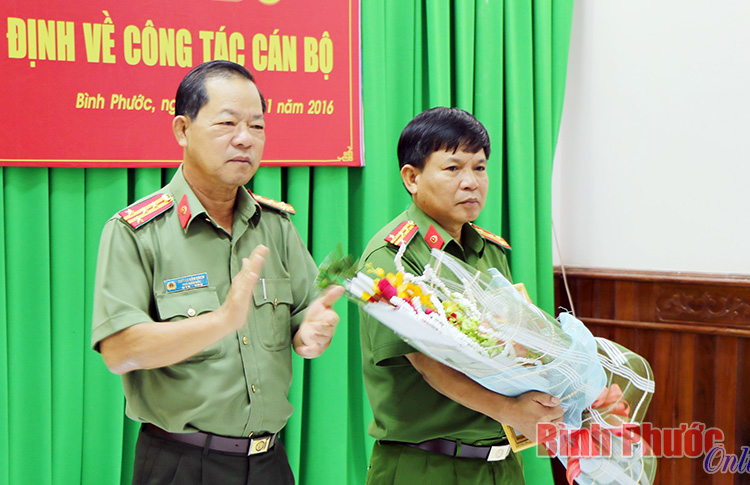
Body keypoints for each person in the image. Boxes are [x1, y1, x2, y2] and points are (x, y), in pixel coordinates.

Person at [91, 60, 344, 484]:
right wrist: (221, 321)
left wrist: (312, 333)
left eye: (257, 126)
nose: (245, 139)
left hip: (268, 463)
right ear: (182, 130)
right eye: (227, 123)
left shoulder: (276, 226)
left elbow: (303, 321)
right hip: (182, 464)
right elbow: (119, 351)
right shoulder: (137, 231)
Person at [359, 107, 564, 484]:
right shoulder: (391, 258)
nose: (471, 182)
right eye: (453, 168)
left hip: (502, 463)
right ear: (412, 178)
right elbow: (427, 363)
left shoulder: (491, 250)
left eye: (479, 167)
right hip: (427, 466)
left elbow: (515, 343)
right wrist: (511, 411)